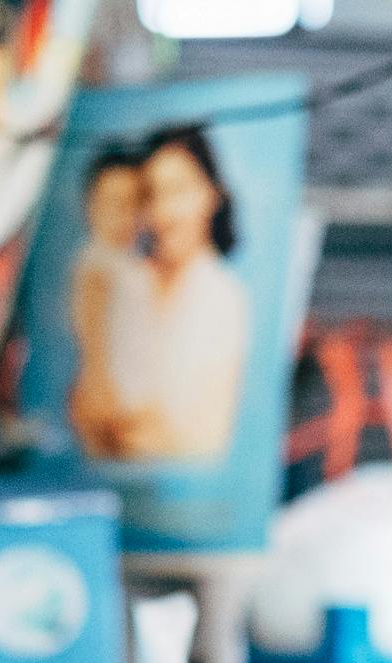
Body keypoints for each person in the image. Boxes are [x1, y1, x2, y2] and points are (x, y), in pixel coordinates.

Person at [93, 126, 250, 466]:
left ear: (212, 194)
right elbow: (89, 411)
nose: (163, 211)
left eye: (178, 190)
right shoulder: (122, 284)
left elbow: (204, 438)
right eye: (151, 194)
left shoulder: (224, 298)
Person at [66, 147, 149, 459]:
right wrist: (103, 392)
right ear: (91, 208)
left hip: (127, 393)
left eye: (132, 205)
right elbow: (92, 335)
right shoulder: (96, 263)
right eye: (112, 205)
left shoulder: (129, 263)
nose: (123, 217)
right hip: (106, 396)